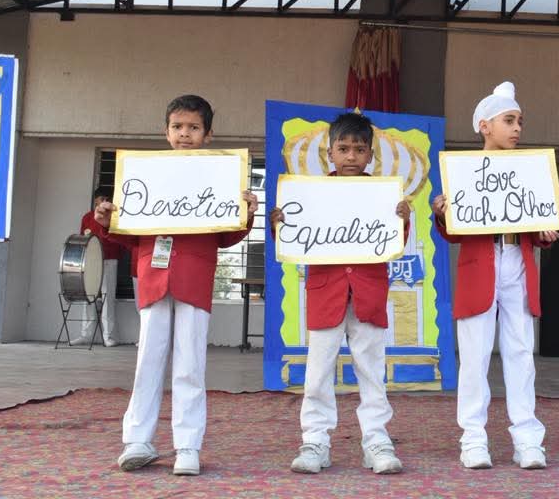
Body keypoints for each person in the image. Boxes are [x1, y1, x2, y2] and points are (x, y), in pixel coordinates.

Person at [94, 94, 258, 476]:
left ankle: (188, 445)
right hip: (153, 276)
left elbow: (224, 237)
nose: (185, 134)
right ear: (165, 131)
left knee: (190, 363)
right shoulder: (143, 174)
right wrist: (108, 221)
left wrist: (245, 214)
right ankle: (137, 440)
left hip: (194, 278)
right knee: (147, 359)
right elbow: (131, 236)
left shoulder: (219, 176)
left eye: (194, 128)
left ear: (209, 134)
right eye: (177, 127)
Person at [270, 112, 408, 475]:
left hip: (368, 293)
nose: (350, 156)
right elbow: (294, 242)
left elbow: (393, 243)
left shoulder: (383, 194)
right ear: (329, 153)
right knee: (317, 372)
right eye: (343, 149)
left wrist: (401, 220)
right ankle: (315, 440)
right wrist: (281, 225)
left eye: (359, 150)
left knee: (372, 370)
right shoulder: (310, 195)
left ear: (370, 156)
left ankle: (376, 440)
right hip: (325, 293)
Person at [431, 81, 559, 470]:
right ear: (485, 126)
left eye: (520, 120)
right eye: (509, 120)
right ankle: (473, 438)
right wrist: (442, 211)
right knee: (474, 357)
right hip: (480, 268)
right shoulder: (464, 171)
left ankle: (527, 438)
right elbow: (454, 230)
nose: (517, 127)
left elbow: (541, 226)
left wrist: (546, 232)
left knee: (521, 354)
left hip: (519, 265)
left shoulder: (531, 169)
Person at [73, 186, 123, 347]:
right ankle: (86, 334)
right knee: (89, 296)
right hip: (91, 262)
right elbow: (82, 239)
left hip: (109, 259)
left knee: (108, 298)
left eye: (106, 200)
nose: (102, 203)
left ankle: (109, 336)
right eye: (100, 200)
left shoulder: (114, 217)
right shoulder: (87, 218)